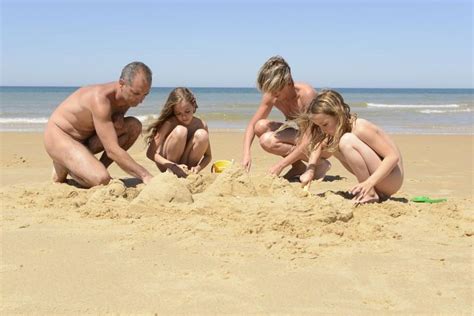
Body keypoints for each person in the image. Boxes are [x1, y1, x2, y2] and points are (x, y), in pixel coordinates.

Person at [44, 61, 154, 188]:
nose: (140, 100)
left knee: (134, 126)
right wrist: (145, 175)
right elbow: (112, 150)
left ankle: (92, 168)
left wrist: (118, 117)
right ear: (122, 84)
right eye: (136, 93)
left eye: (145, 94)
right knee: (101, 179)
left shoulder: (127, 97)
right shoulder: (100, 99)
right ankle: (67, 164)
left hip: (86, 138)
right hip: (60, 135)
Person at [298, 90, 404, 204]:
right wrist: (310, 169)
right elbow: (318, 145)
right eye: (319, 126)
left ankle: (369, 193)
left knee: (346, 140)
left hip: (392, 178)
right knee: (333, 143)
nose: (323, 130)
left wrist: (369, 183)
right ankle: (371, 191)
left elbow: (392, 157)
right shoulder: (336, 130)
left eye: (325, 124)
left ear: (338, 114)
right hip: (379, 180)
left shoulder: (360, 127)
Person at [241, 55, 331, 180]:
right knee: (260, 126)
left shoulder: (306, 95)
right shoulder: (273, 94)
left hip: (323, 143)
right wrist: (246, 154)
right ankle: (298, 167)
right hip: (303, 137)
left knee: (267, 141)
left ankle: (320, 164)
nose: (273, 96)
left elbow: (308, 139)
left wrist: (280, 166)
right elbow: (252, 125)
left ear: (288, 83)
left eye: (276, 91)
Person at [145, 87, 212, 178]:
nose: (184, 117)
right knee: (181, 131)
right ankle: (173, 172)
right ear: (173, 112)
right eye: (178, 114)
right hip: (168, 166)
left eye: (187, 111)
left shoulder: (201, 124)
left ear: (193, 105)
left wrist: (198, 168)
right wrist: (172, 165)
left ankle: (186, 173)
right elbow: (150, 153)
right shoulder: (169, 123)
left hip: (187, 167)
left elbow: (208, 156)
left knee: (202, 134)